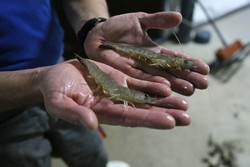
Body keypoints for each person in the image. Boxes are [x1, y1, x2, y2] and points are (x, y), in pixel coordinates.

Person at [0, 0, 209, 167]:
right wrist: (37, 81)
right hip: (6, 112)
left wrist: (93, 25)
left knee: (90, 148)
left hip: (61, 66)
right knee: (26, 158)